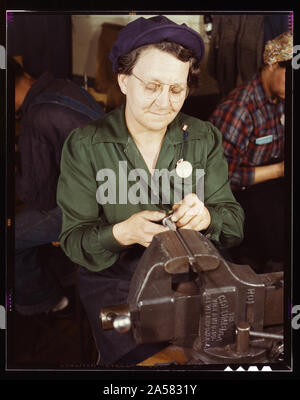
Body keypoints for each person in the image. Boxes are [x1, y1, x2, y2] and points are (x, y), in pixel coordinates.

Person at [57, 15, 244, 366]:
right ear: (124, 80)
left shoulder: (203, 138)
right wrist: (121, 232)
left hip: (194, 271)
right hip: (116, 278)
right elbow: (73, 242)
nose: (164, 103)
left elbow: (233, 225)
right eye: (152, 86)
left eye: (177, 89)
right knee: (151, 362)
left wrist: (206, 217)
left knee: (225, 352)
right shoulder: (86, 145)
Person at [11, 57, 104, 316]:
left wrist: (18, 169)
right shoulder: (64, 87)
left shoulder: (36, 117)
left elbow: (39, 197)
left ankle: (46, 300)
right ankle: (63, 277)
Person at [209, 31, 292, 272]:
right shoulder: (239, 109)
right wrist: (280, 170)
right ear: (273, 64)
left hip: (270, 183)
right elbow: (219, 177)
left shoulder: (281, 98)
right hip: (238, 194)